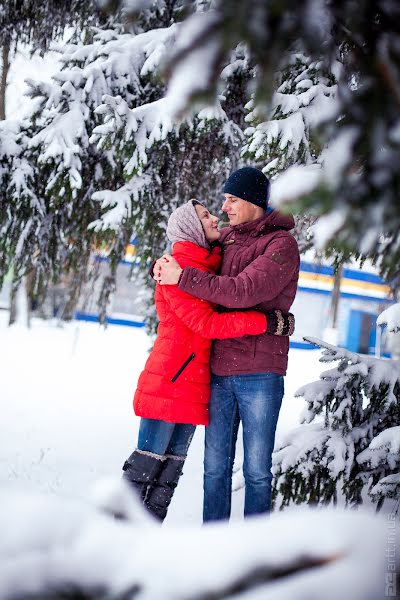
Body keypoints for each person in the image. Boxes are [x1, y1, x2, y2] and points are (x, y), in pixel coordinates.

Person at [123, 198, 295, 522]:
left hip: (194, 383)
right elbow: (208, 324)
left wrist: (163, 264)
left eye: (228, 202)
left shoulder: (206, 262)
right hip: (169, 380)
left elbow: (233, 277)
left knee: (168, 475)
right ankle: (115, 537)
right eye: (206, 215)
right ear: (192, 228)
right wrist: (266, 323)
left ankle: (145, 538)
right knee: (146, 468)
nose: (217, 215)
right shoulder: (180, 271)